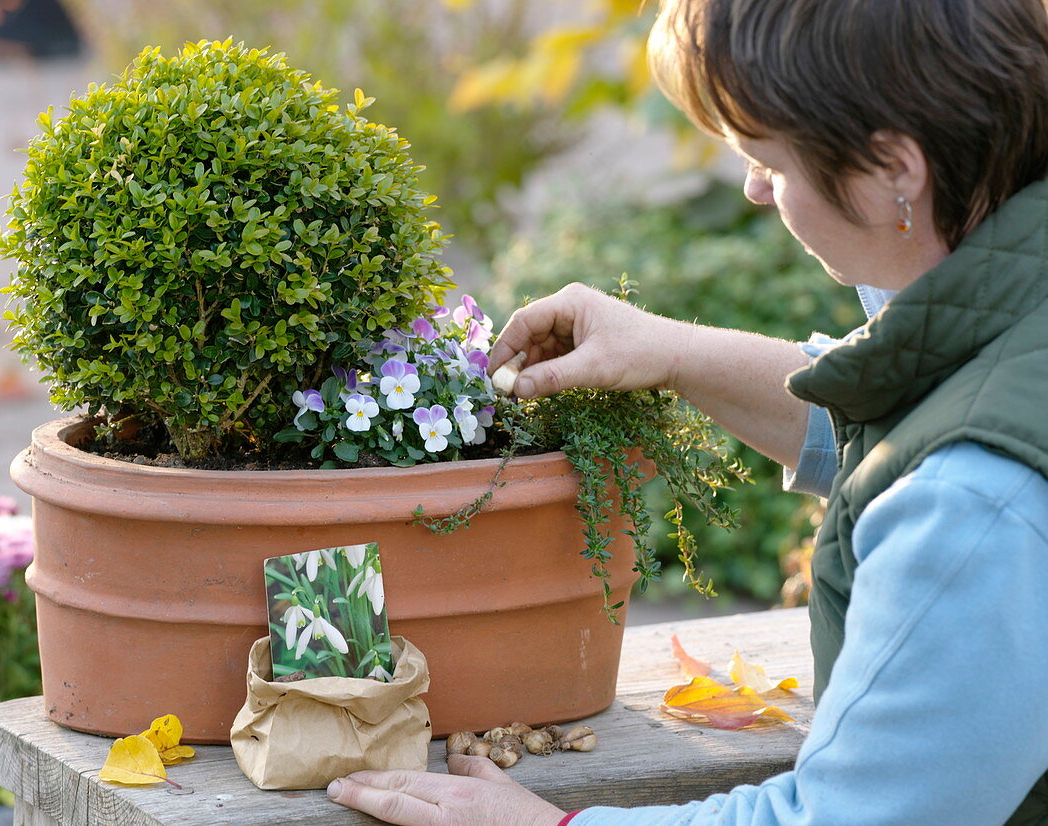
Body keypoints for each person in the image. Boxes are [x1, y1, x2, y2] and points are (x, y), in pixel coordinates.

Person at [326, 0, 1048, 822]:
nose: (751, 188)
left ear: (893, 169)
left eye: (769, 163)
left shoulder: (977, 504)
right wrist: (670, 353)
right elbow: (911, 418)